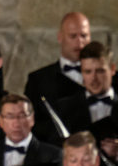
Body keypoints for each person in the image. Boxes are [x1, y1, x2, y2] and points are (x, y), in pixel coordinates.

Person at [26, 12, 95, 140]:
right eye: (73, 36)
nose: (79, 41)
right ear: (60, 37)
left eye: (84, 36)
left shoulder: (109, 78)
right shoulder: (38, 80)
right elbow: (31, 126)